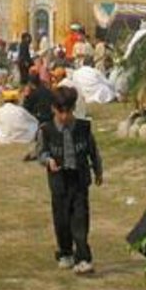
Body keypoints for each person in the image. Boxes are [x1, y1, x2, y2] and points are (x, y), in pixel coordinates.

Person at [36, 86, 103, 275]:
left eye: (68, 111)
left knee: (80, 219)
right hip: (58, 181)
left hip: (79, 179)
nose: (65, 116)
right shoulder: (46, 130)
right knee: (62, 220)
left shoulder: (83, 128)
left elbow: (93, 150)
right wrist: (48, 160)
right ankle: (65, 252)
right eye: (61, 112)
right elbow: (40, 152)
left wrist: (98, 170)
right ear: (53, 110)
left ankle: (83, 257)